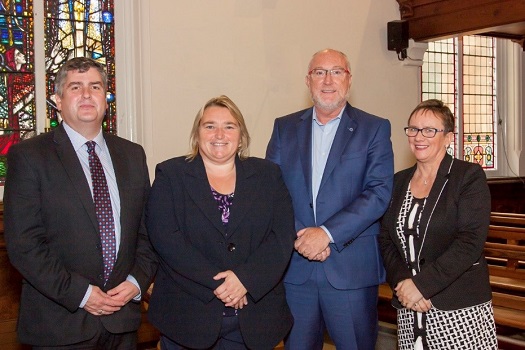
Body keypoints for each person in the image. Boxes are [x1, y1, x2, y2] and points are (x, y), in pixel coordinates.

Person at [3, 57, 158, 349]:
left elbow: (148, 233)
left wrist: (136, 283)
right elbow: (24, 245)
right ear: (58, 101)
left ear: (105, 99)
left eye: (95, 87)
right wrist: (83, 295)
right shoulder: (30, 157)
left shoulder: (132, 155)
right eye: (76, 87)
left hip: (122, 320)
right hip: (61, 324)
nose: (87, 94)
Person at [266, 49, 394, 349]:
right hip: (296, 269)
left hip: (350, 269)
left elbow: (378, 192)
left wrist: (325, 234)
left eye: (337, 71)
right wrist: (303, 236)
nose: (328, 80)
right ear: (307, 80)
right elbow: (271, 191)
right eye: (319, 72)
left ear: (349, 80)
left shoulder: (374, 128)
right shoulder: (284, 128)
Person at [145, 95, 296, 350]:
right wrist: (223, 285)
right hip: (187, 316)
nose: (219, 134)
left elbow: (281, 237)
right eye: (210, 126)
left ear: (241, 135)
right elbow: (166, 239)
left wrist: (245, 280)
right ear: (197, 134)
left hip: (254, 316)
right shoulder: (170, 175)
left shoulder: (268, 176)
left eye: (229, 126)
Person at [378, 99, 498, 349]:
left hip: (457, 308)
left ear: (448, 137)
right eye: (413, 129)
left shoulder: (468, 177)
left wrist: (422, 285)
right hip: (410, 305)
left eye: (429, 130)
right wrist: (403, 283)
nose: (419, 137)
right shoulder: (399, 182)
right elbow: (386, 239)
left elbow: (470, 243)